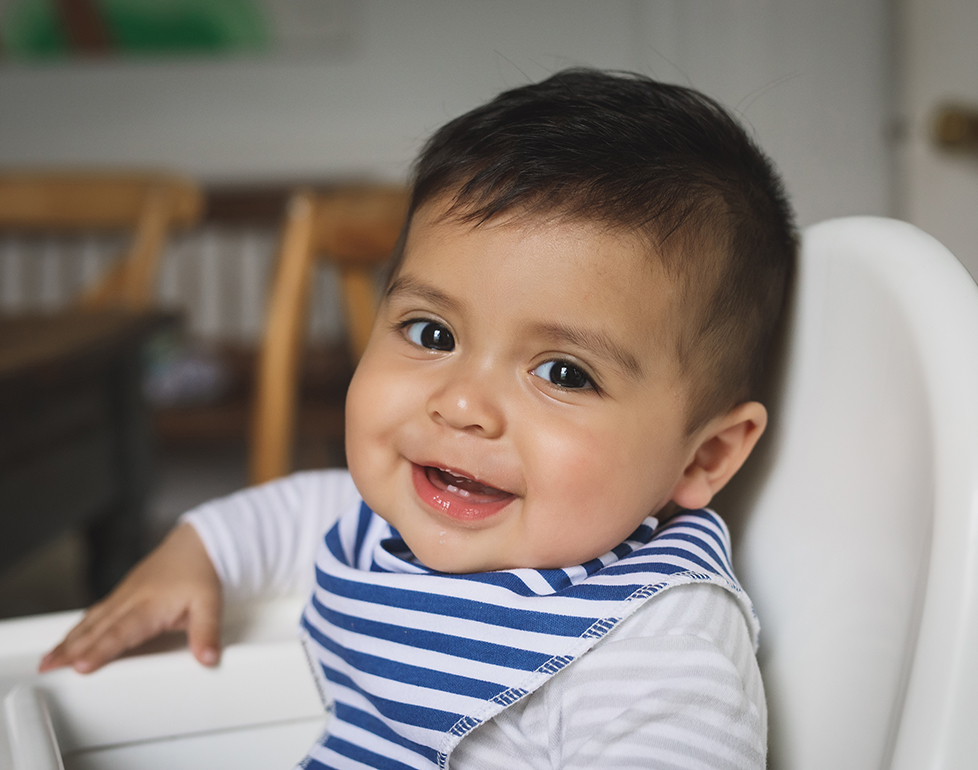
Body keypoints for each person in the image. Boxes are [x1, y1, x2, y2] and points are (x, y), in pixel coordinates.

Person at [41, 68, 796, 769]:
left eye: (564, 373)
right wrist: (191, 557)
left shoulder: (657, 650)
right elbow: (289, 515)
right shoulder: (387, 522)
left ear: (704, 457)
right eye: (432, 333)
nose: (462, 405)